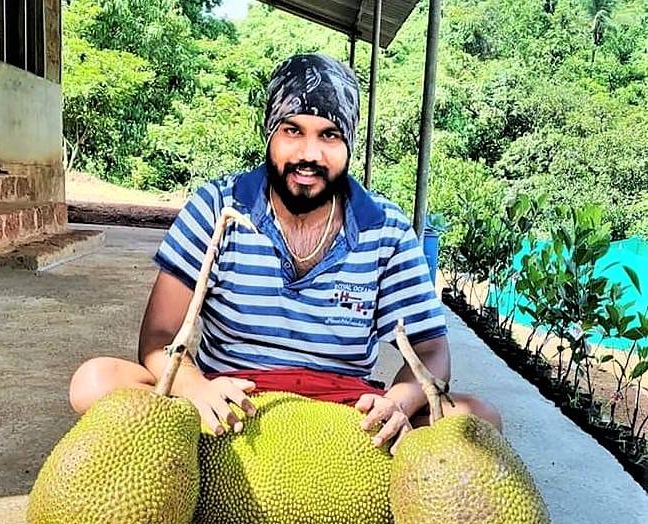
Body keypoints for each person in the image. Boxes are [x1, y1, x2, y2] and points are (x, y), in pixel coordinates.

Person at [70, 53, 501, 453]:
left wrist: (398, 402)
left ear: (348, 144)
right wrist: (196, 390)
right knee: (94, 382)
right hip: (231, 405)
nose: (309, 154)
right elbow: (160, 338)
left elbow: (432, 353)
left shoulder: (384, 227)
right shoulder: (217, 207)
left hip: (343, 416)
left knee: (479, 418)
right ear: (269, 134)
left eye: (329, 135)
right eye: (292, 130)